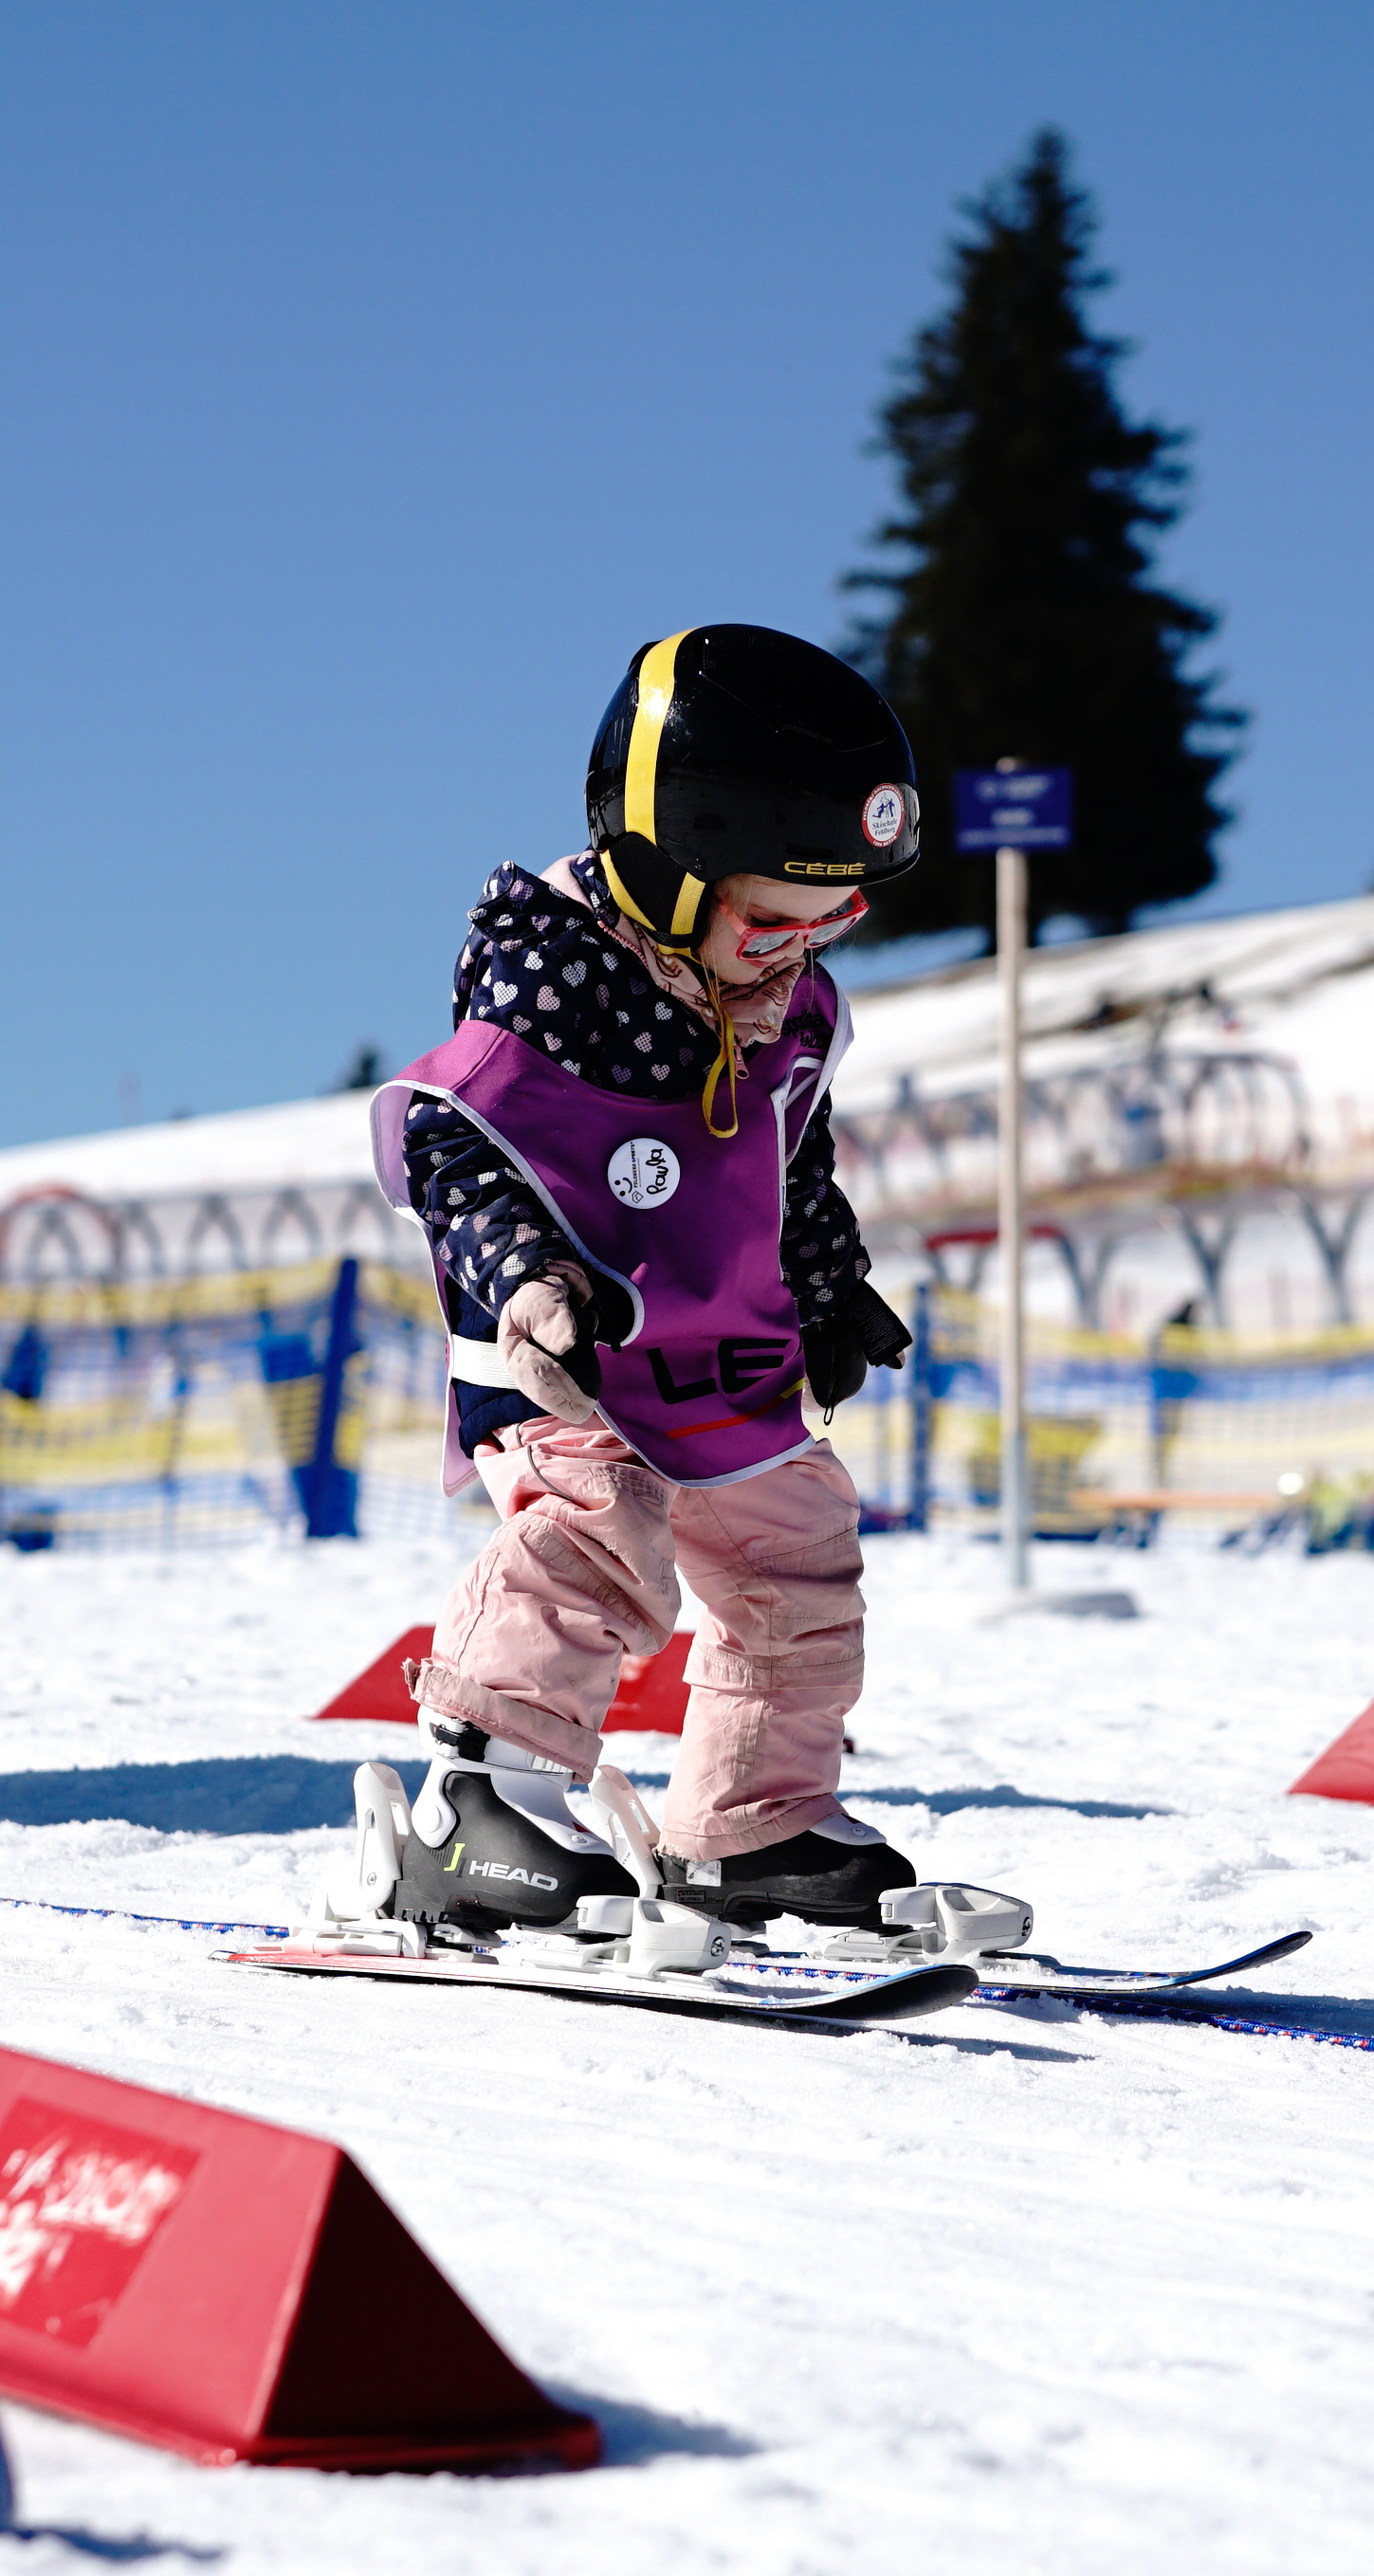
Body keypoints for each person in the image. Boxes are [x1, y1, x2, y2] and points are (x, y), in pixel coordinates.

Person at [366, 625, 925, 1941]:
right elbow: (455, 1142)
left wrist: (831, 1285)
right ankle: (483, 1804)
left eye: (835, 917)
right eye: (775, 917)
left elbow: (790, 1149)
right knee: (599, 1536)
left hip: (724, 1349)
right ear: (666, 875)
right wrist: (527, 1282)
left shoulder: (780, 1001)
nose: (801, 950)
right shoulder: (557, 979)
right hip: (568, 1342)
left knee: (798, 1562)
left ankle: (753, 1823)